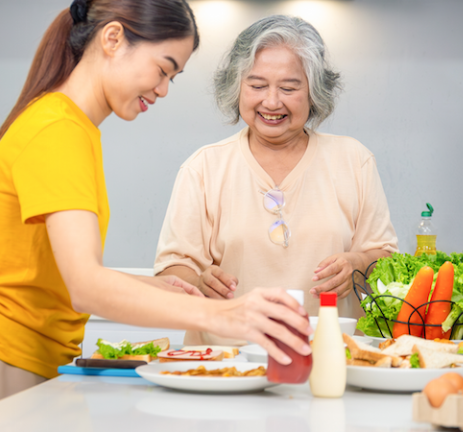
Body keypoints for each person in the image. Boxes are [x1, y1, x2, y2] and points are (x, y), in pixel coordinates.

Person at [0, 1, 311, 426]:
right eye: (163, 68)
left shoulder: (73, 128)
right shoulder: (57, 130)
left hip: (23, 360)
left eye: (173, 76)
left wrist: (154, 287)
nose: (164, 89)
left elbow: (51, 274)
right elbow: (85, 286)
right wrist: (226, 315)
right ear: (113, 39)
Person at [155, 15, 398, 345]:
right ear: (236, 87)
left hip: (331, 353)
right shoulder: (203, 167)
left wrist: (358, 262)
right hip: (225, 360)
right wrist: (198, 280)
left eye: (289, 87)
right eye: (256, 86)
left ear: (313, 92)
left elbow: (384, 258)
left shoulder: (354, 160)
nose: (271, 102)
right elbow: (172, 269)